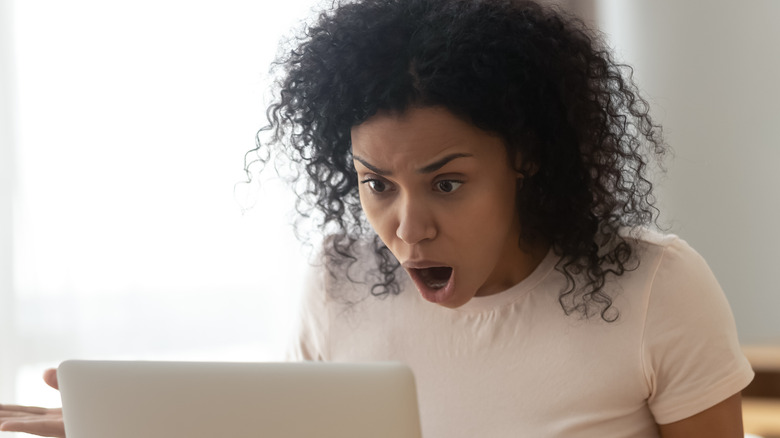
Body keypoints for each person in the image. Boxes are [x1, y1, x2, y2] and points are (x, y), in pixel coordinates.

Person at [0, 0, 754, 437]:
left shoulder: (655, 288)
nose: (406, 227)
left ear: (524, 156)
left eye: (448, 184)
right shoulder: (339, 283)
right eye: (377, 185)